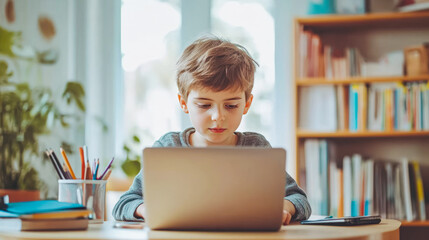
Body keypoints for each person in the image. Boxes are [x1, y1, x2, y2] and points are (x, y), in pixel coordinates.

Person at [112, 36, 311, 224]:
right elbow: (124, 204)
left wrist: (284, 207)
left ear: (247, 104)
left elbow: (299, 199)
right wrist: (148, 210)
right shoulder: (168, 147)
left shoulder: (256, 147)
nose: (218, 116)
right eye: (204, 105)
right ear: (184, 103)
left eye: (231, 106)